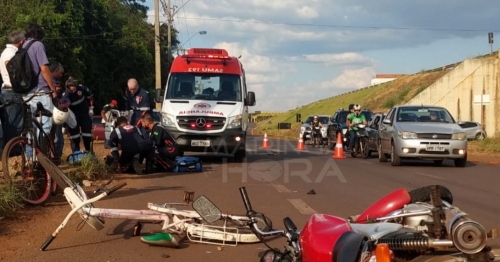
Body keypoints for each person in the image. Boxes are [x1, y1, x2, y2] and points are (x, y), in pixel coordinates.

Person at [22, 24, 58, 157]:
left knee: (33, 127)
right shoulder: (37, 45)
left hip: (26, 91)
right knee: (44, 126)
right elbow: (44, 69)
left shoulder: (22, 46)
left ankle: (30, 159)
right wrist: (52, 89)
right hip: (40, 90)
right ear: (39, 35)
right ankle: (42, 161)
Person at [0, 30, 25, 152]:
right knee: (15, 126)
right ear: (21, 41)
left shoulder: (5, 52)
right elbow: (9, 66)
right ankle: (12, 155)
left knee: (8, 125)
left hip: (6, 90)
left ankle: (7, 153)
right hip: (12, 91)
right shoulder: (12, 53)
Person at [62, 76, 94, 154]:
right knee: (74, 135)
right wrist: (63, 125)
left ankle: (89, 152)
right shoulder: (65, 96)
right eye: (71, 90)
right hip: (73, 115)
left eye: (74, 89)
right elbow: (63, 110)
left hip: (84, 112)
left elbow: (90, 97)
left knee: (87, 133)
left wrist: (91, 108)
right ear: (67, 88)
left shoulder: (82, 88)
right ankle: (76, 154)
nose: (73, 91)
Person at [49, 62, 65, 164]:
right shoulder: (50, 81)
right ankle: (56, 157)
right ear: (55, 71)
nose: (61, 75)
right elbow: (54, 94)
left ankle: (55, 155)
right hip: (54, 111)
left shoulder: (47, 79)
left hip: (53, 109)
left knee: (54, 135)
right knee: (56, 135)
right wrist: (56, 89)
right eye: (60, 73)